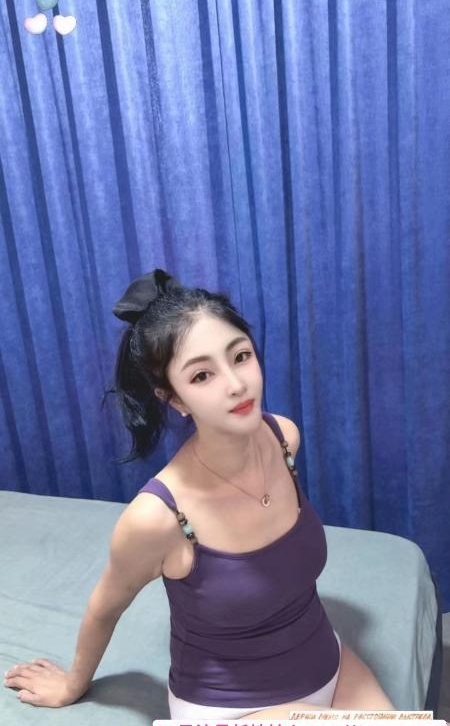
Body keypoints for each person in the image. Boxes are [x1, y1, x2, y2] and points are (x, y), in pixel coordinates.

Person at [3, 269, 394, 717]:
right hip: (231, 710)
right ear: (174, 399)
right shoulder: (158, 517)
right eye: (203, 375)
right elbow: (105, 605)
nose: (236, 383)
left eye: (241, 356)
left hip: (327, 665)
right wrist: (72, 683)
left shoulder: (283, 438)